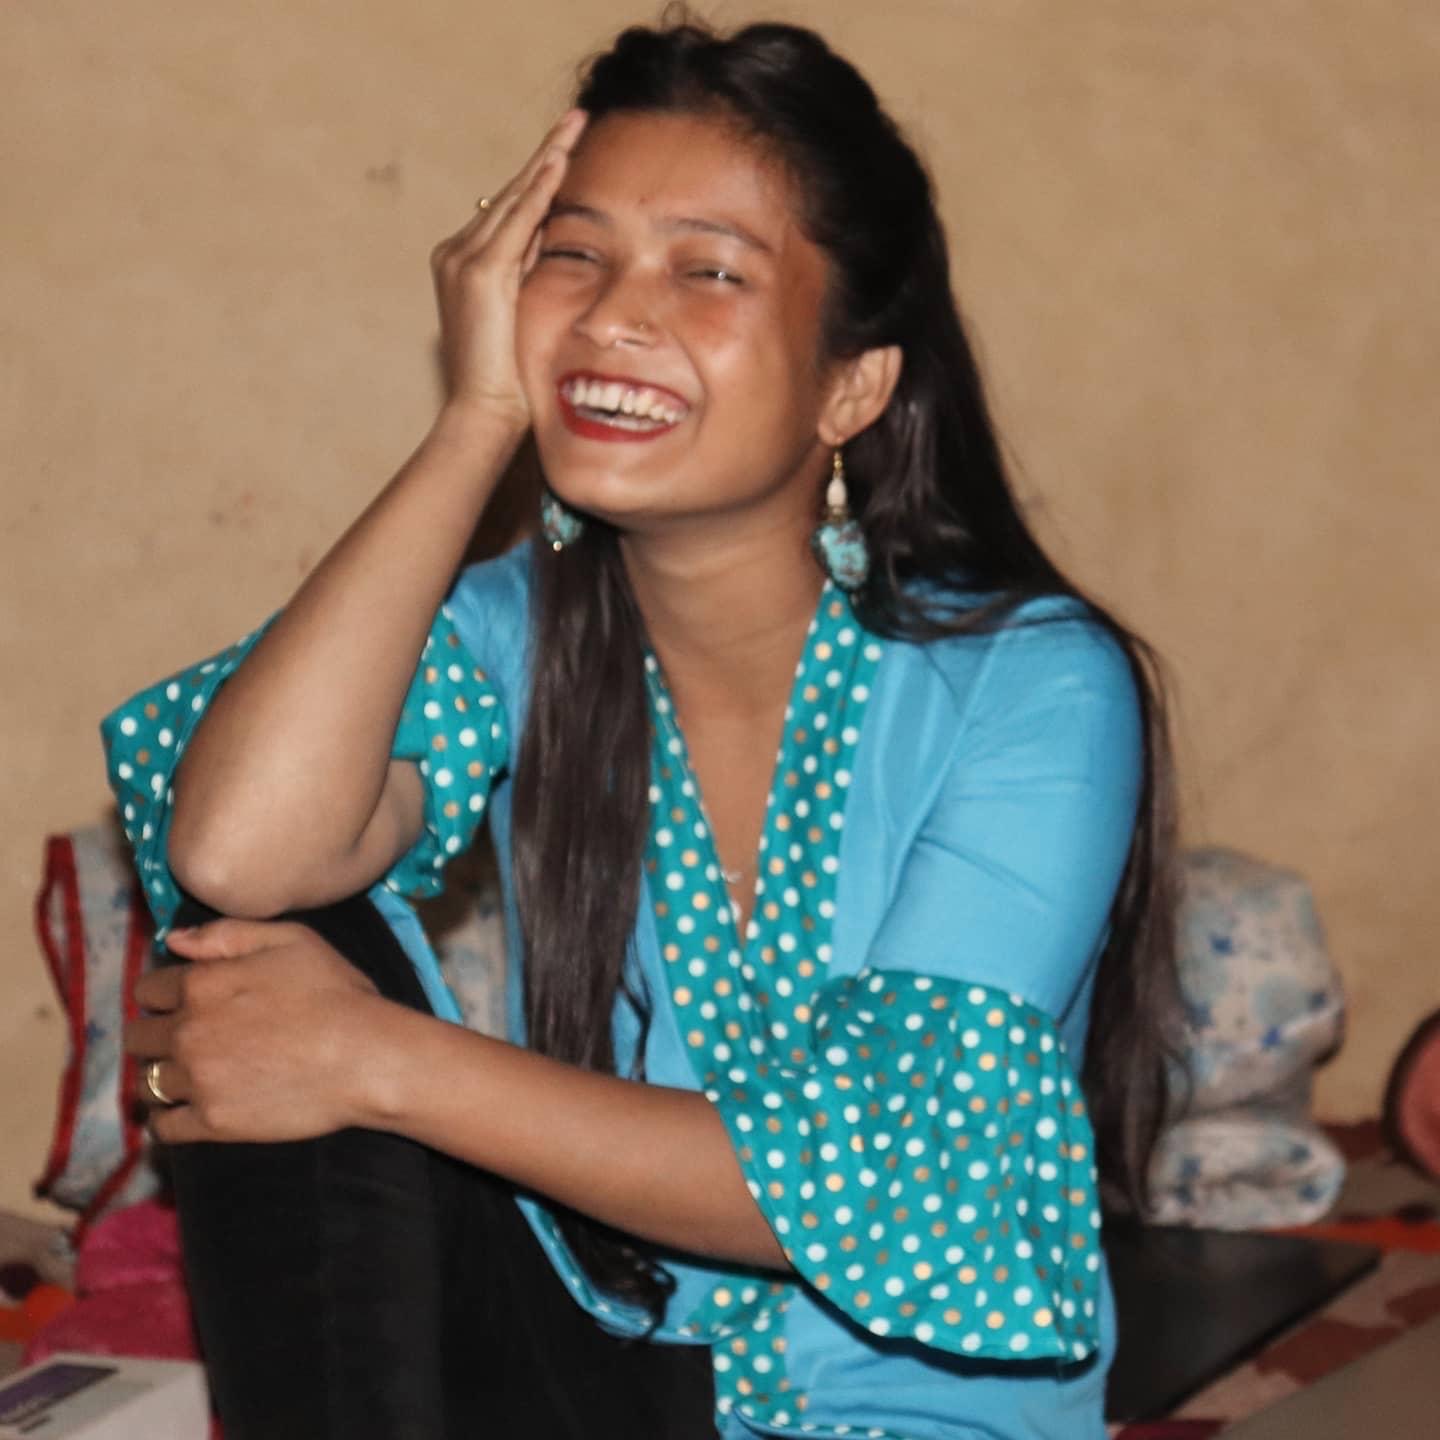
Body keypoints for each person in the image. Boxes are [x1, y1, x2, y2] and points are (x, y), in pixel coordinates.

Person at [105, 17, 1178, 1440]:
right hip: (606, 1376)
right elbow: (237, 846)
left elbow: (878, 1187)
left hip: (910, 1422)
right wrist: (476, 417)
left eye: (709, 268)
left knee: (316, 1026)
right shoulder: (520, 625)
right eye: (574, 253)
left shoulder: (1033, 686)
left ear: (851, 386)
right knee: (265, 944)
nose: (615, 313)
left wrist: (374, 1058)